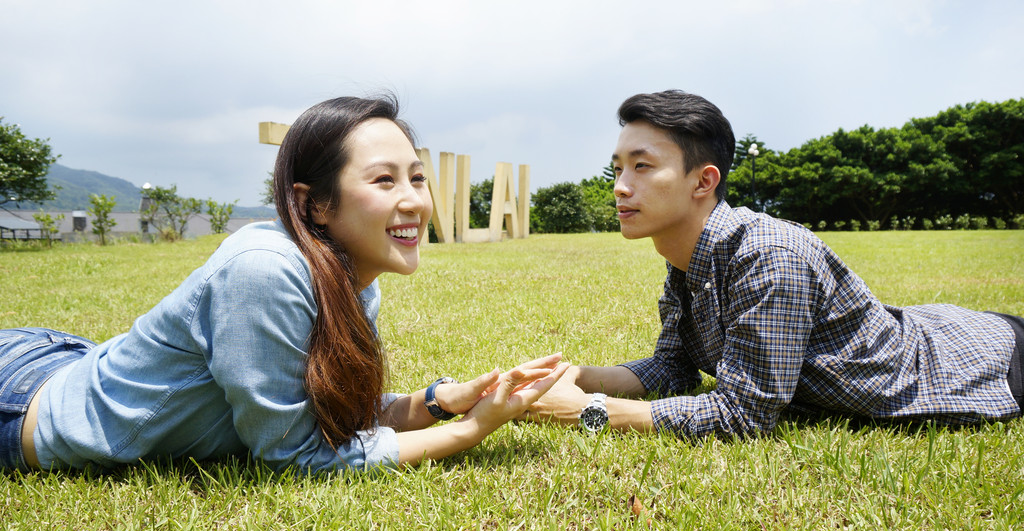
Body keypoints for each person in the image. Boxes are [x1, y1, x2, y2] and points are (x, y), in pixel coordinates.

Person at [0, 94, 566, 473]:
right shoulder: (265, 270)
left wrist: (441, 402)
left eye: (416, 177)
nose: (414, 200)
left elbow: (333, 417)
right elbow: (297, 454)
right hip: (22, 398)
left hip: (71, 356)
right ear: (313, 203)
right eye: (384, 180)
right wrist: (470, 432)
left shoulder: (350, 275)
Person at [524, 89, 1023, 438]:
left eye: (642, 166)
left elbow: (743, 416)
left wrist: (585, 411)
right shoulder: (686, 259)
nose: (620, 186)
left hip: (986, 363)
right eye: (617, 169)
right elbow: (673, 367)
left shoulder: (769, 256)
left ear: (703, 181)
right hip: (937, 328)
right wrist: (570, 377)